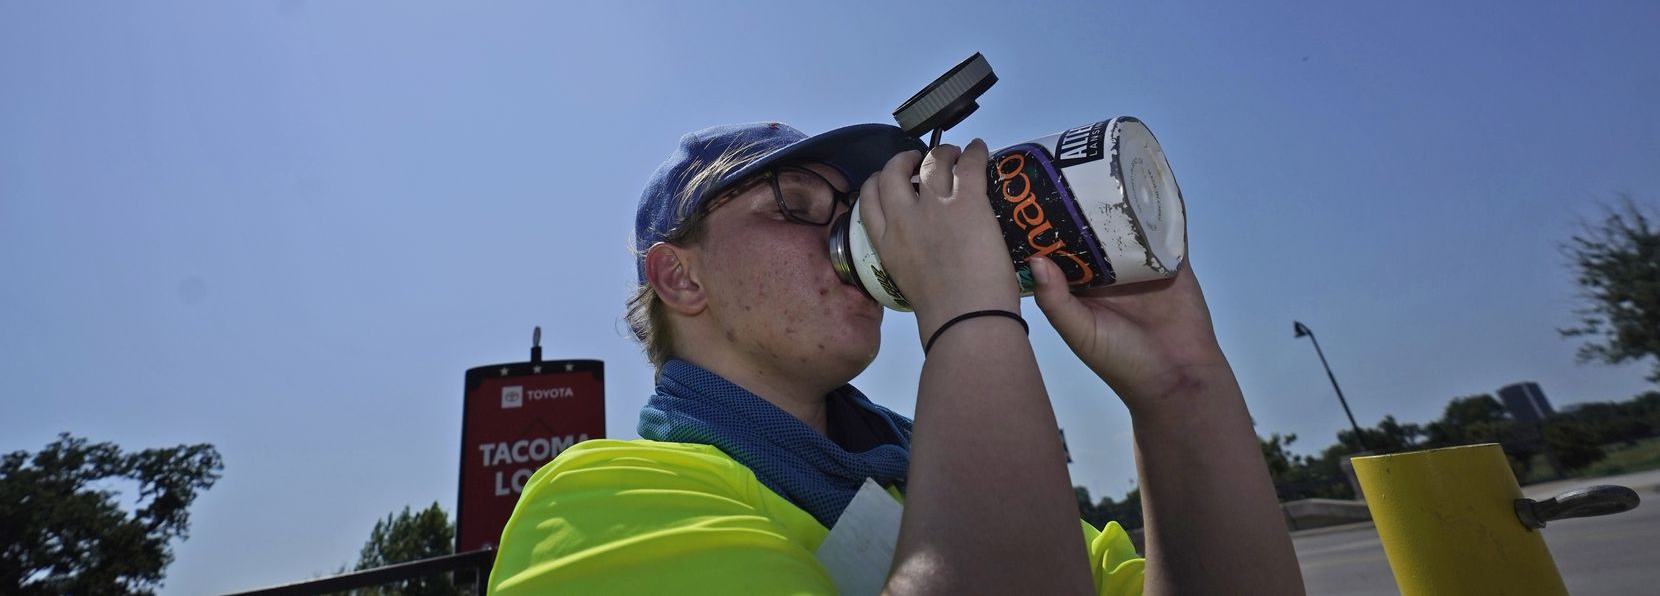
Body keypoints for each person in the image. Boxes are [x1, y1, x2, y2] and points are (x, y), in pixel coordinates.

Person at [487, 120, 1304, 595]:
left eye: (857, 213)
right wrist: (969, 316)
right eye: (797, 206)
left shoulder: (920, 476)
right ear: (681, 277)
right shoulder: (598, 505)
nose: (855, 239)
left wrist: (1180, 387)